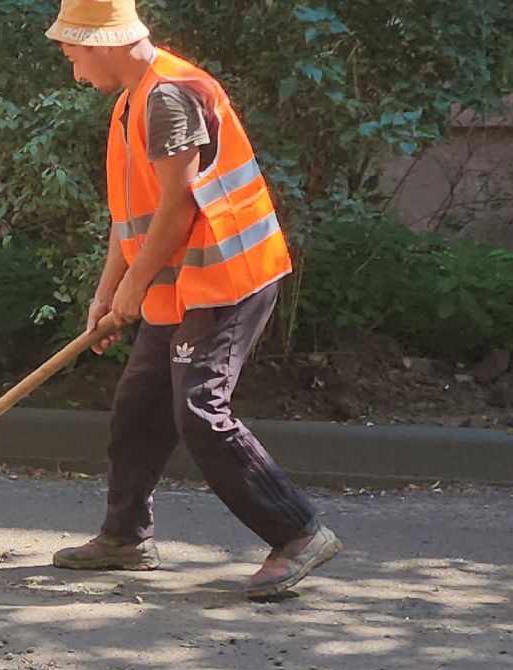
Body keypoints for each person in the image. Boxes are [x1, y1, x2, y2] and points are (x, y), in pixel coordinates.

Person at [45, 0, 340, 600]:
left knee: (199, 408)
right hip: (183, 284)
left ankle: (297, 533)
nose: (75, 72)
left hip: (229, 278)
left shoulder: (169, 97)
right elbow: (131, 216)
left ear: (100, 44)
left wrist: (132, 288)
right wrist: (107, 294)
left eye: (74, 55)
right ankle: (125, 538)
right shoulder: (132, 103)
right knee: (139, 404)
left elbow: (178, 209)